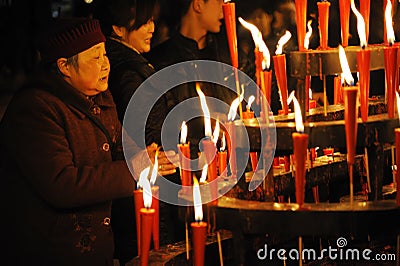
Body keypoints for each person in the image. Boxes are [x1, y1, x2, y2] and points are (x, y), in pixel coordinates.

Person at [0, 17, 177, 266]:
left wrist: (152, 159)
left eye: (105, 55)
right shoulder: (35, 110)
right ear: (64, 66)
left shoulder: (100, 97)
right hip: (50, 251)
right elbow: (63, 185)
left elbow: (119, 150)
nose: (105, 64)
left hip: (97, 250)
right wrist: (134, 168)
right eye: (95, 58)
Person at [94, 0, 184, 264]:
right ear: (118, 29)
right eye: (143, 22)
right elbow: (150, 145)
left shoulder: (130, 66)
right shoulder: (128, 73)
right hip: (149, 193)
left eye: (152, 21)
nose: (152, 28)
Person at [147, 0, 255, 167]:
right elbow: (162, 127)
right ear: (198, 5)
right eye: (218, 2)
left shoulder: (229, 55)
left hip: (238, 163)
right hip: (193, 169)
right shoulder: (162, 61)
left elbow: (255, 101)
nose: (224, 8)